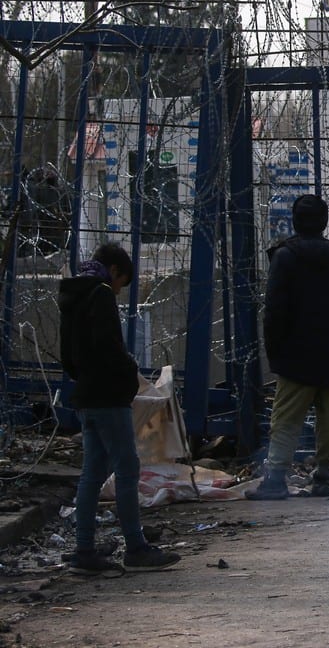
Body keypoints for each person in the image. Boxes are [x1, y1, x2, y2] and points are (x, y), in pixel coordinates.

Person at [59, 242, 181, 573]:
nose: (118, 289)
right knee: (127, 469)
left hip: (86, 394)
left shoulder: (73, 294)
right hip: (108, 396)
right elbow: (110, 346)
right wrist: (128, 371)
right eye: (121, 282)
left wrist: (85, 377)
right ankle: (136, 548)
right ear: (114, 271)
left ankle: (84, 550)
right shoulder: (100, 294)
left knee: (93, 473)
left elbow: (67, 355)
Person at [249, 194, 329, 500]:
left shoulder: (285, 257)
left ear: (295, 221)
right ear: (324, 222)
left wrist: (276, 350)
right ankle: (323, 476)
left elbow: (274, 310)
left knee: (286, 418)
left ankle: (275, 478)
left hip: (295, 354)